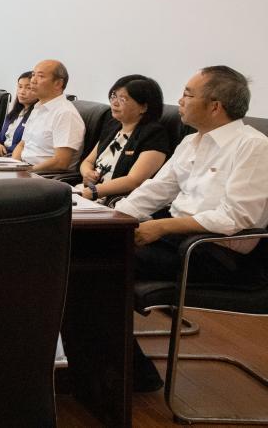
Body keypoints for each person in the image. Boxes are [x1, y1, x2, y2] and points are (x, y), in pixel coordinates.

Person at [114, 66, 268, 392]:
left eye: (187, 94)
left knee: (101, 265)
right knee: (90, 249)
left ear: (215, 106)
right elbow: (156, 190)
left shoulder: (253, 147)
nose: (180, 101)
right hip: (177, 240)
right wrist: (112, 220)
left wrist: (161, 226)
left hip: (215, 253)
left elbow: (235, 218)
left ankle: (127, 375)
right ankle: (107, 367)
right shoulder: (190, 142)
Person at [75, 75, 172, 203]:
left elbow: (134, 181)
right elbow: (88, 161)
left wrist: (94, 191)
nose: (114, 103)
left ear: (143, 107)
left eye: (123, 99)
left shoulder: (154, 135)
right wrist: (87, 173)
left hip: (112, 201)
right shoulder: (113, 126)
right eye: (114, 96)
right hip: (86, 193)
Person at [12, 60, 85, 171]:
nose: (33, 80)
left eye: (40, 76)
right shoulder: (38, 108)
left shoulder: (65, 113)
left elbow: (60, 162)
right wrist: (13, 167)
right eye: (33, 75)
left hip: (44, 175)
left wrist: (27, 171)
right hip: (24, 168)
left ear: (58, 83)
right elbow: (22, 145)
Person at [0, 71, 37, 156]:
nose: (22, 92)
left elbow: (27, 144)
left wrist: (3, 150)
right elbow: (0, 134)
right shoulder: (16, 112)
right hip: (1, 154)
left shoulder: (36, 115)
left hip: (12, 156)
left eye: (28, 88)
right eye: (20, 87)